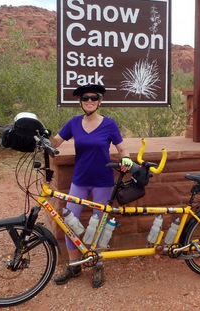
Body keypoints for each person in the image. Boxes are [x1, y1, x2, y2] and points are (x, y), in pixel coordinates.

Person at [49, 83, 133, 288]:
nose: (89, 101)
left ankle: (98, 263)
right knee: (69, 222)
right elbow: (56, 142)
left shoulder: (109, 124)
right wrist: (41, 134)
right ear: (80, 101)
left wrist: (127, 160)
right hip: (80, 180)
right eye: (85, 98)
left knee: (100, 225)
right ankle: (74, 264)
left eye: (93, 98)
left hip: (103, 181)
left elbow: (122, 148)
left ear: (100, 101)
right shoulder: (74, 123)